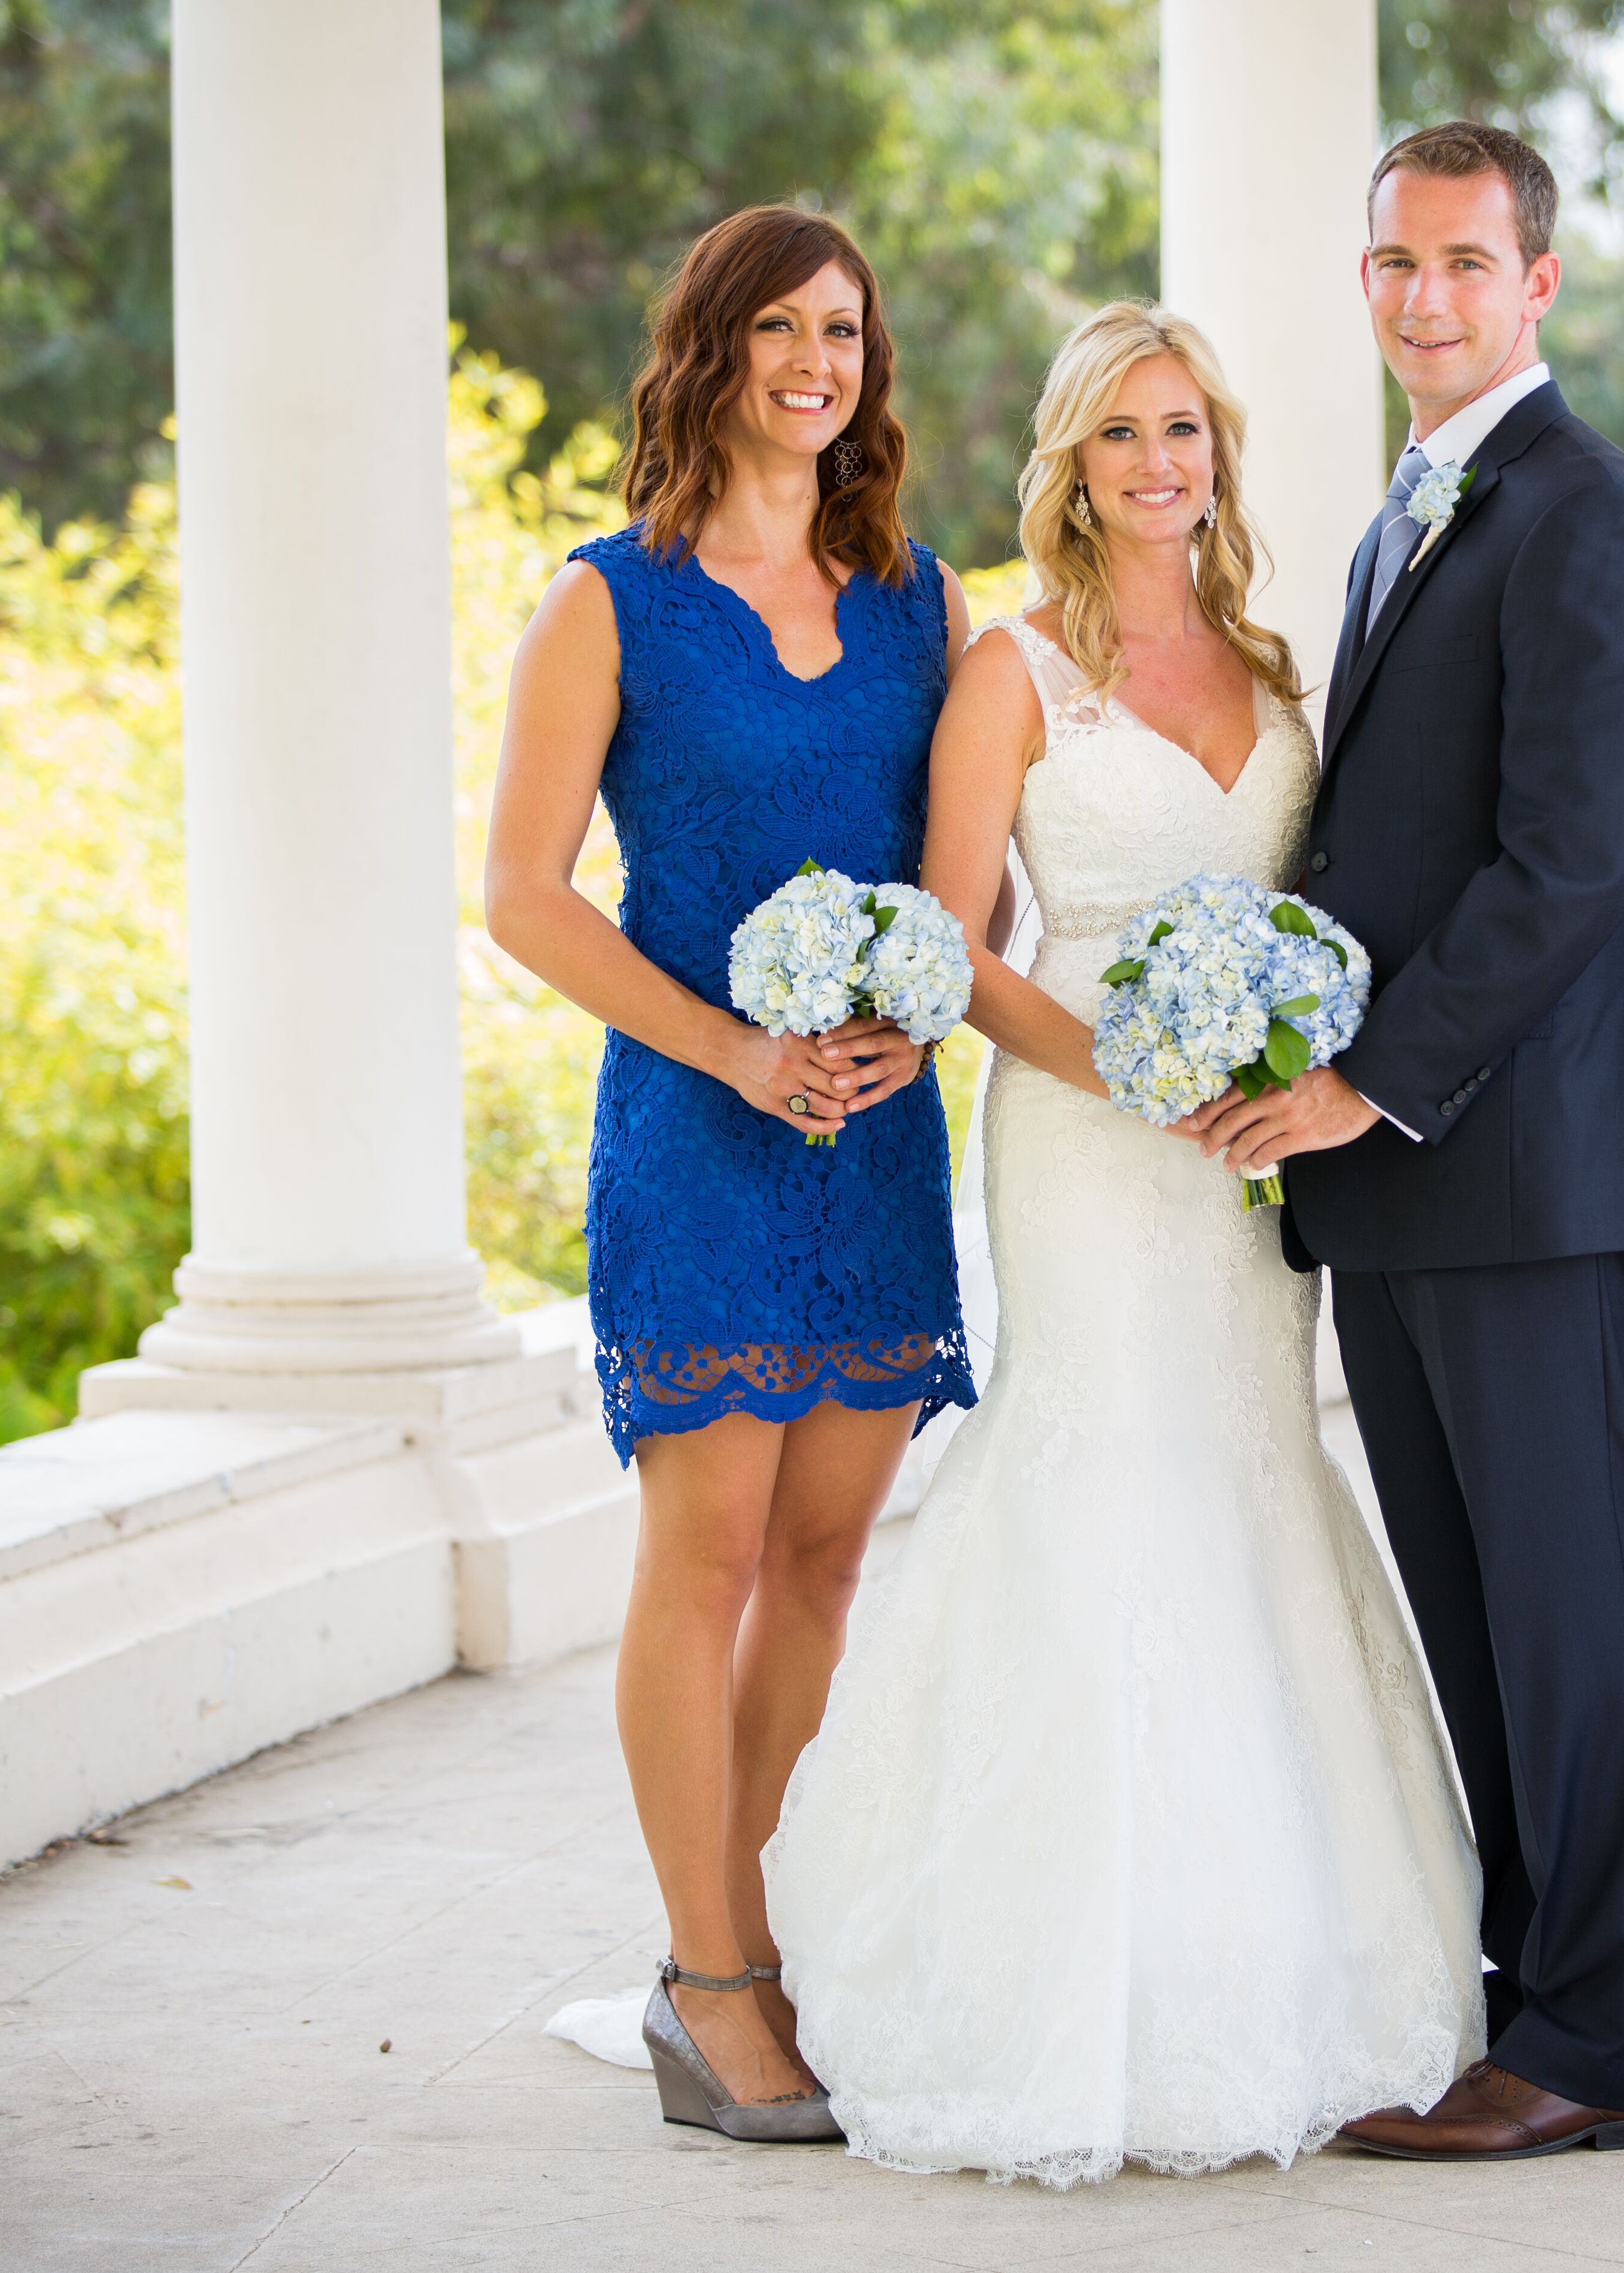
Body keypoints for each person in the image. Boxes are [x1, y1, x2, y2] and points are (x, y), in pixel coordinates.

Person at [758, 302, 1482, 2188]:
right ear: (1071, 464)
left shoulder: (1270, 658)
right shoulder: (1013, 671)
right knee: (1103, 1481)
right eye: (1123, 436)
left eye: (1188, 431)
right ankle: (1045, 1987)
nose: (1162, 465)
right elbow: (957, 940)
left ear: (1219, 455)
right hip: (1088, 1142)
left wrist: (1279, 1070)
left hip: (1253, 1160)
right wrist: (1132, 1074)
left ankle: (1295, 1964)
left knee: (1250, 1476)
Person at [1188, 120, 1624, 2163]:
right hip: (1390, 1185)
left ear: (1540, 284)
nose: (1424, 299)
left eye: (1466, 267)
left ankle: (1594, 2044)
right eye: (1395, 264)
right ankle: (1520, 2003)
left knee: (1570, 1614)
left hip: (1506, 1167)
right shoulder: (1410, 507)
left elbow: (1571, 869)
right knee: (1472, 1615)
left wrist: (1369, 1077)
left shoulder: (1589, 520)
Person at [484, 206, 976, 2145]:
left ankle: (764, 1936)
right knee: (703, 1557)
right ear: (709, 348)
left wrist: (912, 1019)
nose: (813, 361)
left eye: (843, 329)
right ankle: (707, 1982)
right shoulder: (605, 603)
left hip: (871, 1128)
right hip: (697, 1122)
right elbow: (524, 895)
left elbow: (969, 863)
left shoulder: (922, 597)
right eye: (777, 326)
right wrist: (734, 1051)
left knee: (830, 1556)